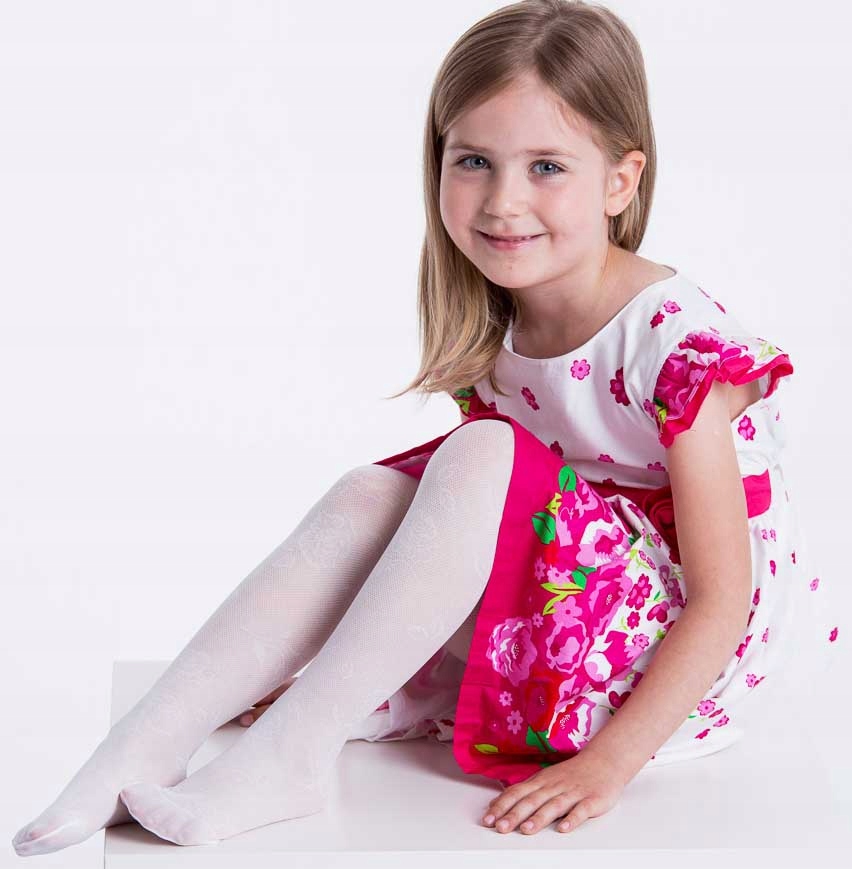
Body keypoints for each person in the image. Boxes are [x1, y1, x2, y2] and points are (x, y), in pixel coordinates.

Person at [12, 0, 838, 855]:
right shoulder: (505, 323)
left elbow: (723, 599)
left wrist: (611, 763)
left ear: (620, 183)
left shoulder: (675, 345)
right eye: (474, 161)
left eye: (547, 166)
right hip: (573, 615)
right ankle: (149, 737)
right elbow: (469, 542)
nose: (504, 201)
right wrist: (351, 676)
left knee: (478, 450)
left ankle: (293, 752)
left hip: (675, 669)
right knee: (369, 492)